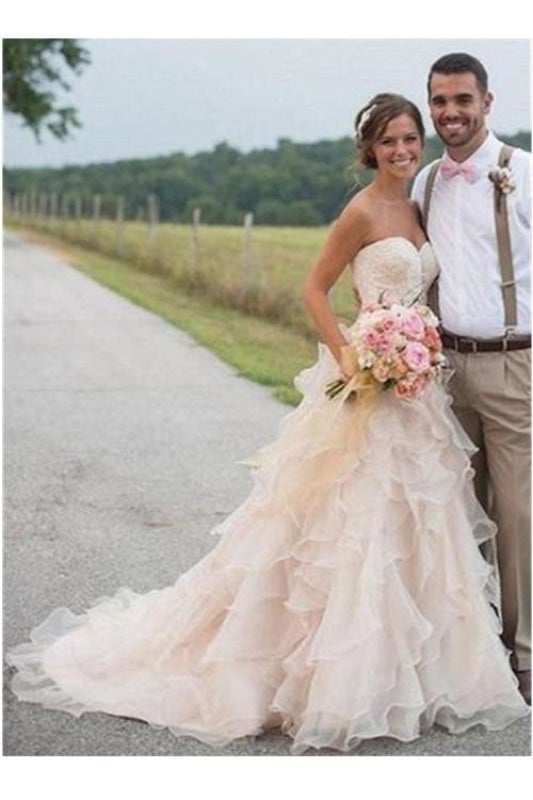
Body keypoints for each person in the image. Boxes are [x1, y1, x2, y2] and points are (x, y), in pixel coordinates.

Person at [6, 93, 529, 755]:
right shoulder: (361, 210)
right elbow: (314, 288)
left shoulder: (421, 201)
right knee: (353, 525)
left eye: (408, 138)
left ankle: (427, 672)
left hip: (416, 390)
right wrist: (355, 355)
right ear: (369, 149)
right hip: (369, 382)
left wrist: (413, 347)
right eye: (388, 141)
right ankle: (341, 677)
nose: (401, 150)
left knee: (420, 522)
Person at [412, 53, 531, 705]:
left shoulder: (523, 172)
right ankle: (473, 651)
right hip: (444, 371)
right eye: (439, 101)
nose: (450, 112)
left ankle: (525, 657)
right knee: (457, 513)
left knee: (517, 515)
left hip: (514, 364)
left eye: (462, 99)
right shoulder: (426, 182)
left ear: (487, 102)